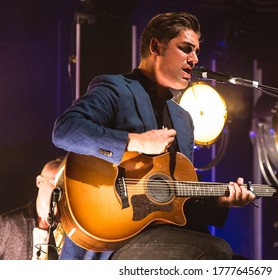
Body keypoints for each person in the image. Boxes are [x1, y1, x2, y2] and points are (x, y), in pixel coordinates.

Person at [52, 11, 255, 260]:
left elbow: (176, 199)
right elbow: (65, 131)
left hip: (163, 238)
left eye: (197, 52)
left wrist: (219, 203)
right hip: (112, 243)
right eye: (185, 48)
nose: (194, 59)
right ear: (156, 46)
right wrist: (134, 141)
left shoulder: (184, 119)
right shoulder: (115, 88)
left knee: (242, 264)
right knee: (215, 250)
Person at [0, 158, 64, 260]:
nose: (60, 190)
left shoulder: (69, 231)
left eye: (64, 186)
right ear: (39, 182)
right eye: (54, 182)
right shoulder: (7, 223)